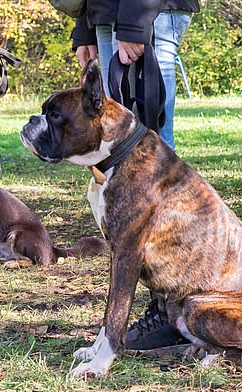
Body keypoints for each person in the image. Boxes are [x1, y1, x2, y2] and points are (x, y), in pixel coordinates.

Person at [71, 0, 199, 351]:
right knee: (126, 156)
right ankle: (162, 306)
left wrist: (134, 23)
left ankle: (173, 307)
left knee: (154, 154)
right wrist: (85, 28)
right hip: (111, 13)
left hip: (143, 13)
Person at [72, 0, 199, 152]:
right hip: (105, 12)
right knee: (120, 125)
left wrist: (134, 24)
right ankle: (128, 174)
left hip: (147, 11)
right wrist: (84, 29)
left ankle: (161, 174)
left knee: (153, 138)